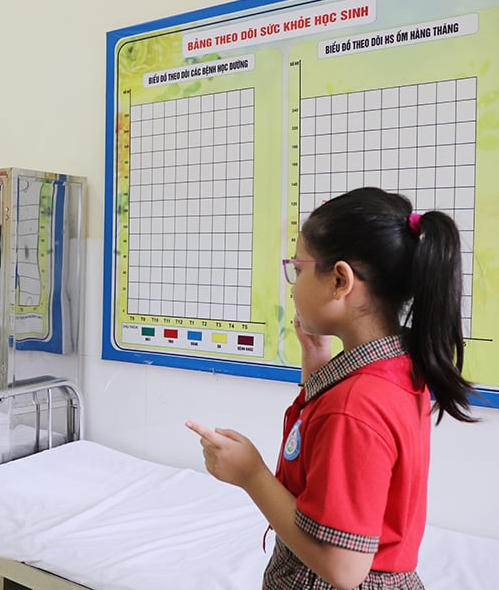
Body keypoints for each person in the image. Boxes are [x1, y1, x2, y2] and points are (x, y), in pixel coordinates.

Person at [187, 187, 475, 589]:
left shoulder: (356, 405)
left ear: (340, 280)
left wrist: (250, 474)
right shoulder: (397, 366)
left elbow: (343, 569)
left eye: (299, 268)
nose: (292, 285)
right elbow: (332, 453)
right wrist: (316, 359)